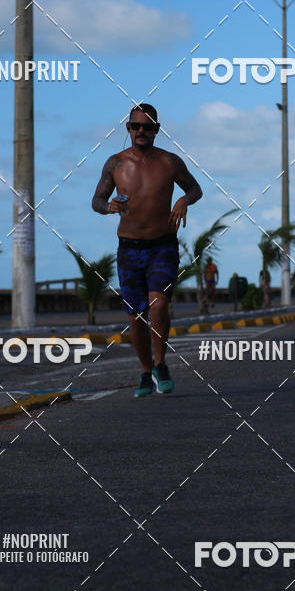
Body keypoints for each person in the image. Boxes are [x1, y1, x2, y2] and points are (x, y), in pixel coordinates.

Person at [92, 104, 203, 397]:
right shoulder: (114, 163)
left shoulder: (170, 162)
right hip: (129, 248)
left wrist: (182, 201)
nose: (142, 131)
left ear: (157, 129)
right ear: (128, 128)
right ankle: (145, 371)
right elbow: (97, 200)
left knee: (159, 304)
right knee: (136, 316)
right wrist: (108, 207)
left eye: (148, 126)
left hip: (162, 246)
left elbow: (195, 189)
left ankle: (161, 363)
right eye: (136, 126)